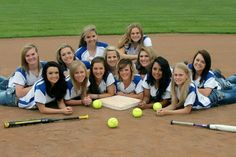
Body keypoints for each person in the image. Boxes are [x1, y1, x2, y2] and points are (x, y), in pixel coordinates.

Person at [156, 63, 236, 116]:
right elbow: (174, 104)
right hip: (208, 94)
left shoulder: (190, 88)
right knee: (229, 84)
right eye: (175, 75)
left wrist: (167, 112)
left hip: (213, 98)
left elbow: (187, 111)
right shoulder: (173, 84)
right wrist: (162, 109)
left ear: (187, 76)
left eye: (180, 75)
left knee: (233, 93)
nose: (177, 77)